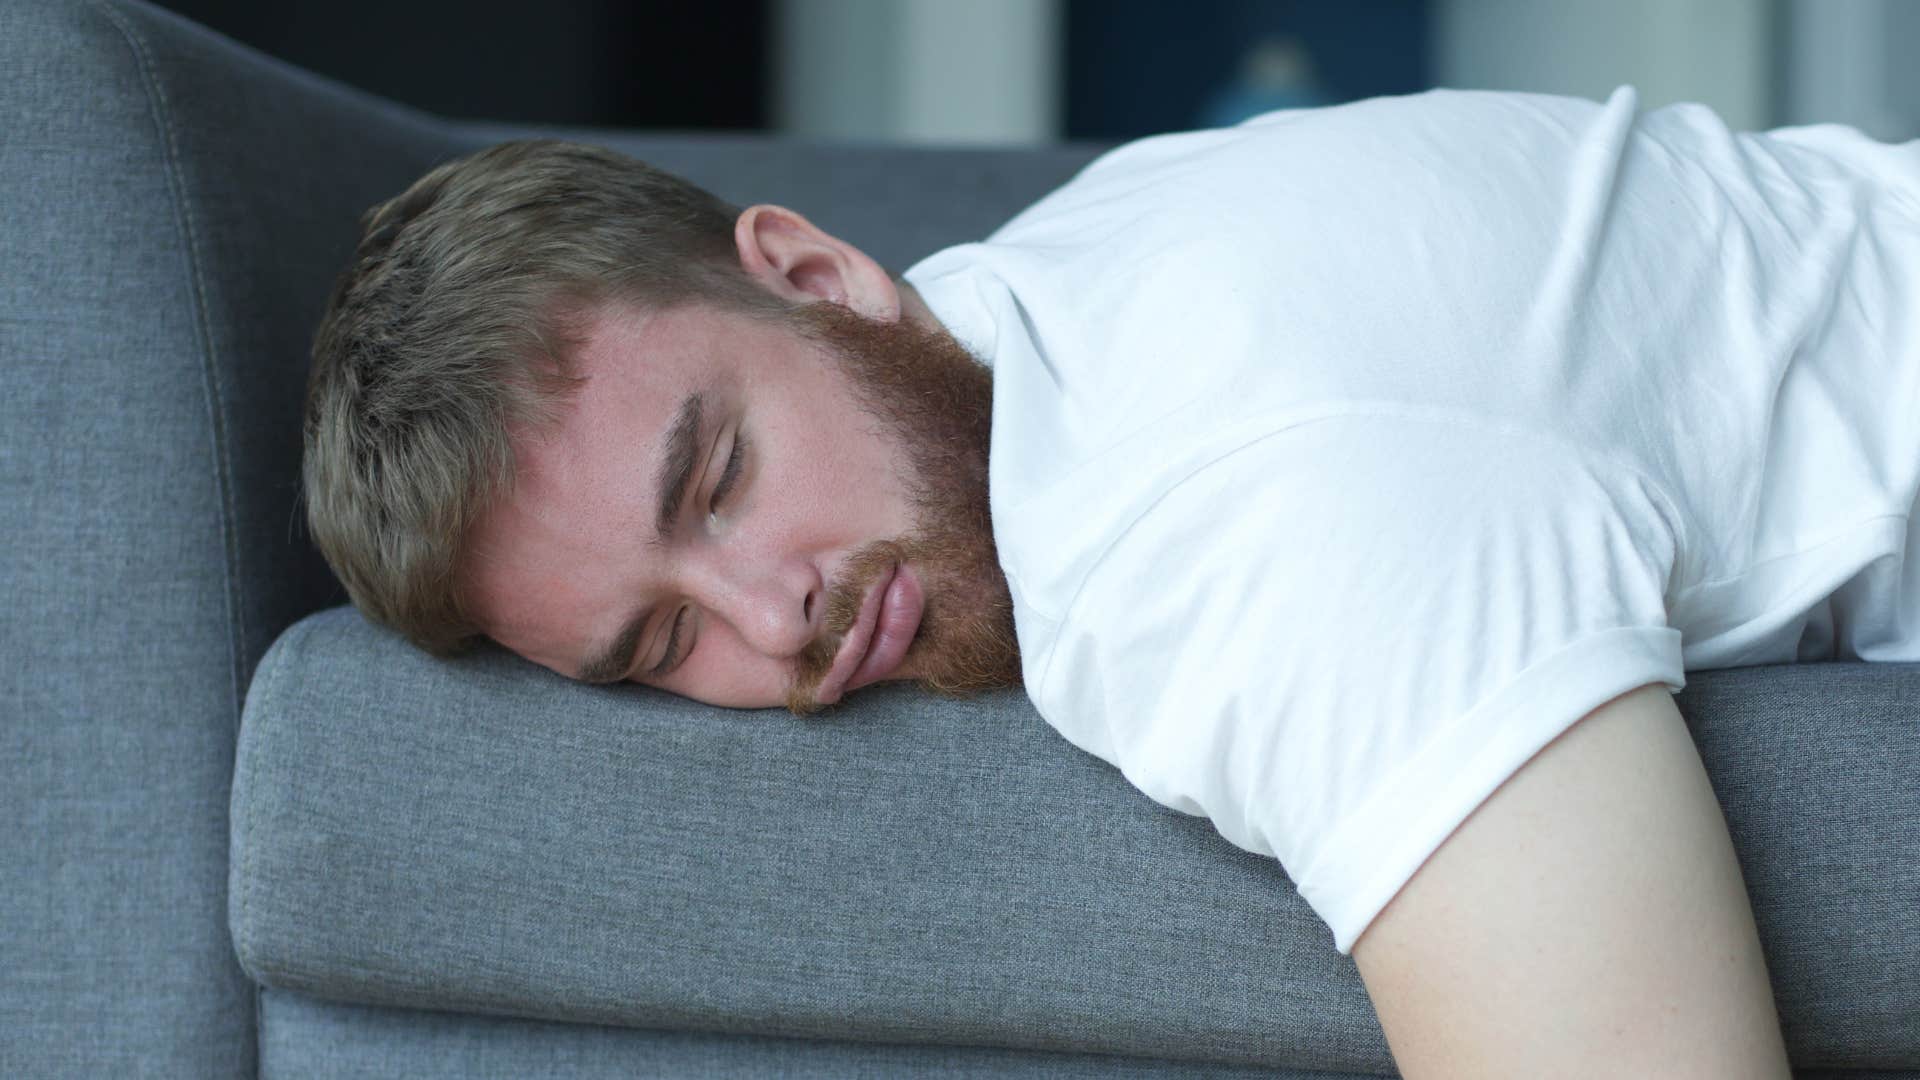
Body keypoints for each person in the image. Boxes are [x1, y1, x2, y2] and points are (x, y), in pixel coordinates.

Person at [303, 84, 1920, 1074]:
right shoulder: (1065, 271)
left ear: (811, 277)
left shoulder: (1239, 522)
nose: (770, 620)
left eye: (717, 477)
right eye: (659, 642)